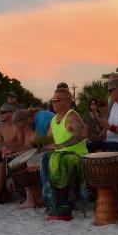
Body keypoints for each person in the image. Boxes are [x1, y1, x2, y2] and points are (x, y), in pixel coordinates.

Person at [38, 87, 89, 220]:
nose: (54, 102)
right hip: (61, 155)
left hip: (77, 155)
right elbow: (49, 139)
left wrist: (62, 146)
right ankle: (53, 203)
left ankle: (63, 204)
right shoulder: (54, 120)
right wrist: (38, 145)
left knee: (58, 159)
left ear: (67, 102)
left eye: (57, 100)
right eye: (53, 99)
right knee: (45, 158)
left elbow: (83, 132)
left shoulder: (71, 115)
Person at [0, 103, 24, 206]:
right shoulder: (2, 129)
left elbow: (22, 143)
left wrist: (6, 145)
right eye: (0, 112)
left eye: (3, 112)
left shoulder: (16, 127)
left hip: (16, 155)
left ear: (11, 113)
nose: (1, 114)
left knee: (0, 166)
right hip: (5, 156)